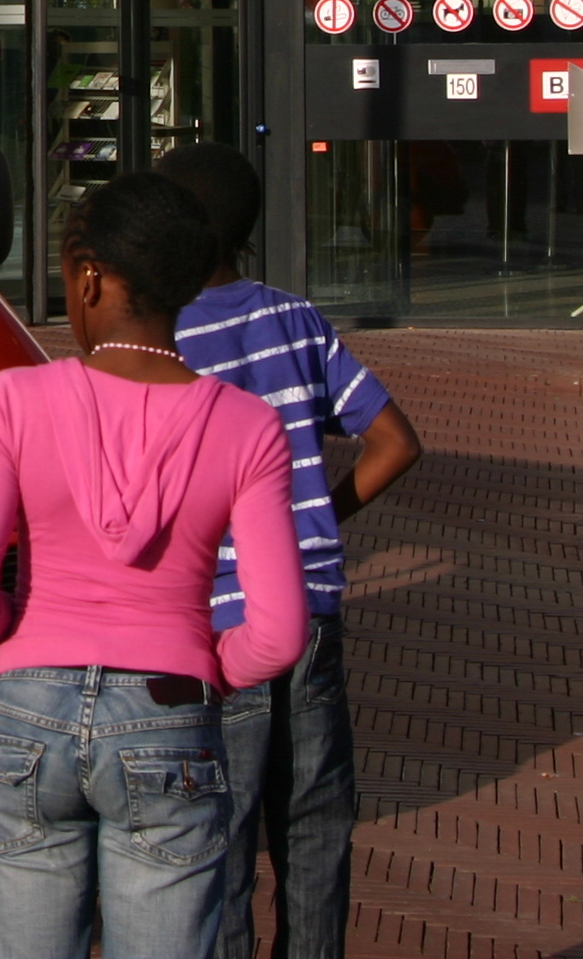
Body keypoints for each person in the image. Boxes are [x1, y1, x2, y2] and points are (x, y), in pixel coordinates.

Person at [0, 172, 307, 959]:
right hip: (170, 712)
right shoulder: (248, 428)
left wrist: (25, 647)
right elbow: (278, 636)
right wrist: (203, 664)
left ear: (90, 278)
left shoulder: (14, 400)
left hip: (29, 713)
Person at [160, 141, 425, 959]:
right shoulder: (296, 318)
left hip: (222, 624)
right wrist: (317, 519)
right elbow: (395, 442)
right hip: (310, 611)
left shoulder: (165, 342)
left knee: (223, 829)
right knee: (314, 823)